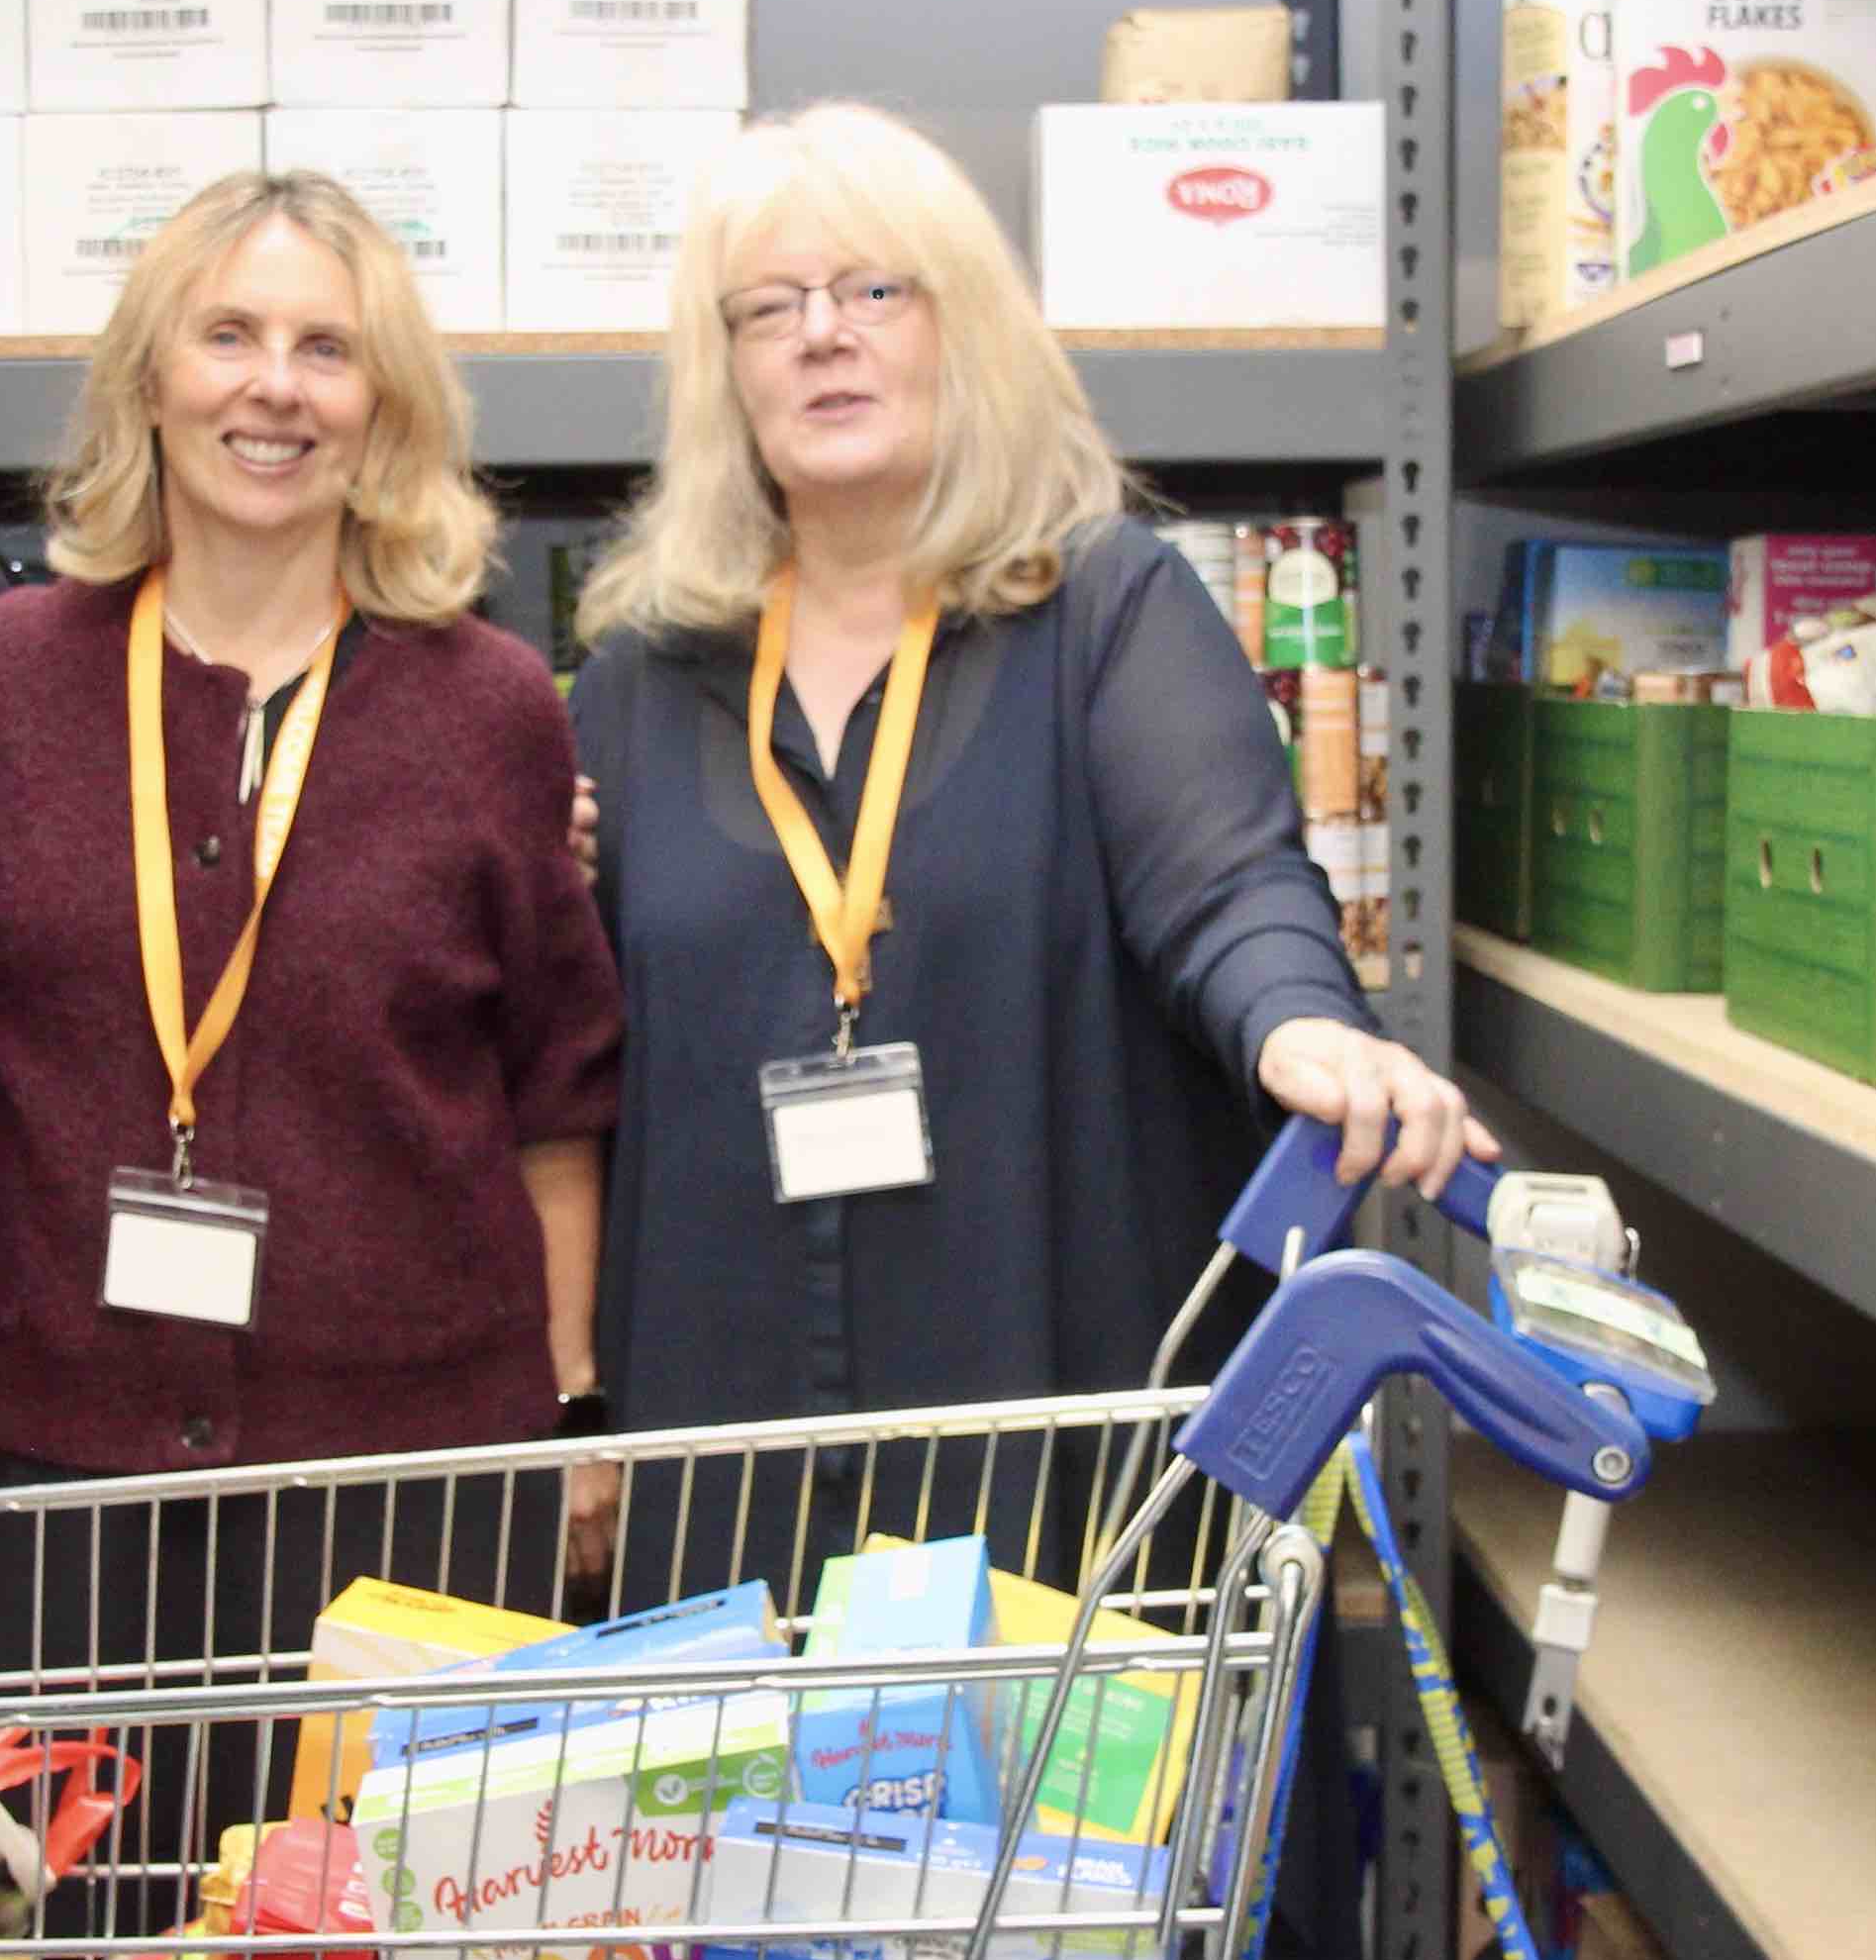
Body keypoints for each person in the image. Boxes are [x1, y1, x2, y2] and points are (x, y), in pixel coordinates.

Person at [569, 98, 1492, 1599]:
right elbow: (565, 1056)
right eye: (770, 306)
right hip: (725, 1447)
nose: (822, 334)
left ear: (967, 331)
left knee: (1053, 1832)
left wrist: (1306, 1021)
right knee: (749, 1836)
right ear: (720, 367)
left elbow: (1229, 884)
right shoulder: (633, 679)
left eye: (873, 290)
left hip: (1052, 1429)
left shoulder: (1106, 612)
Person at [0, 167, 624, 1893]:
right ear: (147, 378)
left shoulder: (490, 704)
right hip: (62, 1490)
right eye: (227, 333)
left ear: (382, 406)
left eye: (327, 347)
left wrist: (566, 1403)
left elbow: (554, 1092)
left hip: (416, 1486)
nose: (273, 385)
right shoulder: (4, 676)